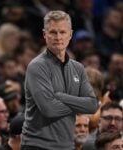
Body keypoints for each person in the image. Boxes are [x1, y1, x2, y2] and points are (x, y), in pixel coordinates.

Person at [21, 10, 97, 150]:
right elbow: (49, 109)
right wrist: (78, 103)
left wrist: (60, 96)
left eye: (62, 32)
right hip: (37, 145)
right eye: (53, 32)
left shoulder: (78, 68)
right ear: (45, 34)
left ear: (70, 35)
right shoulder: (37, 66)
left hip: (67, 146)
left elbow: (92, 105)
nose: (58, 37)